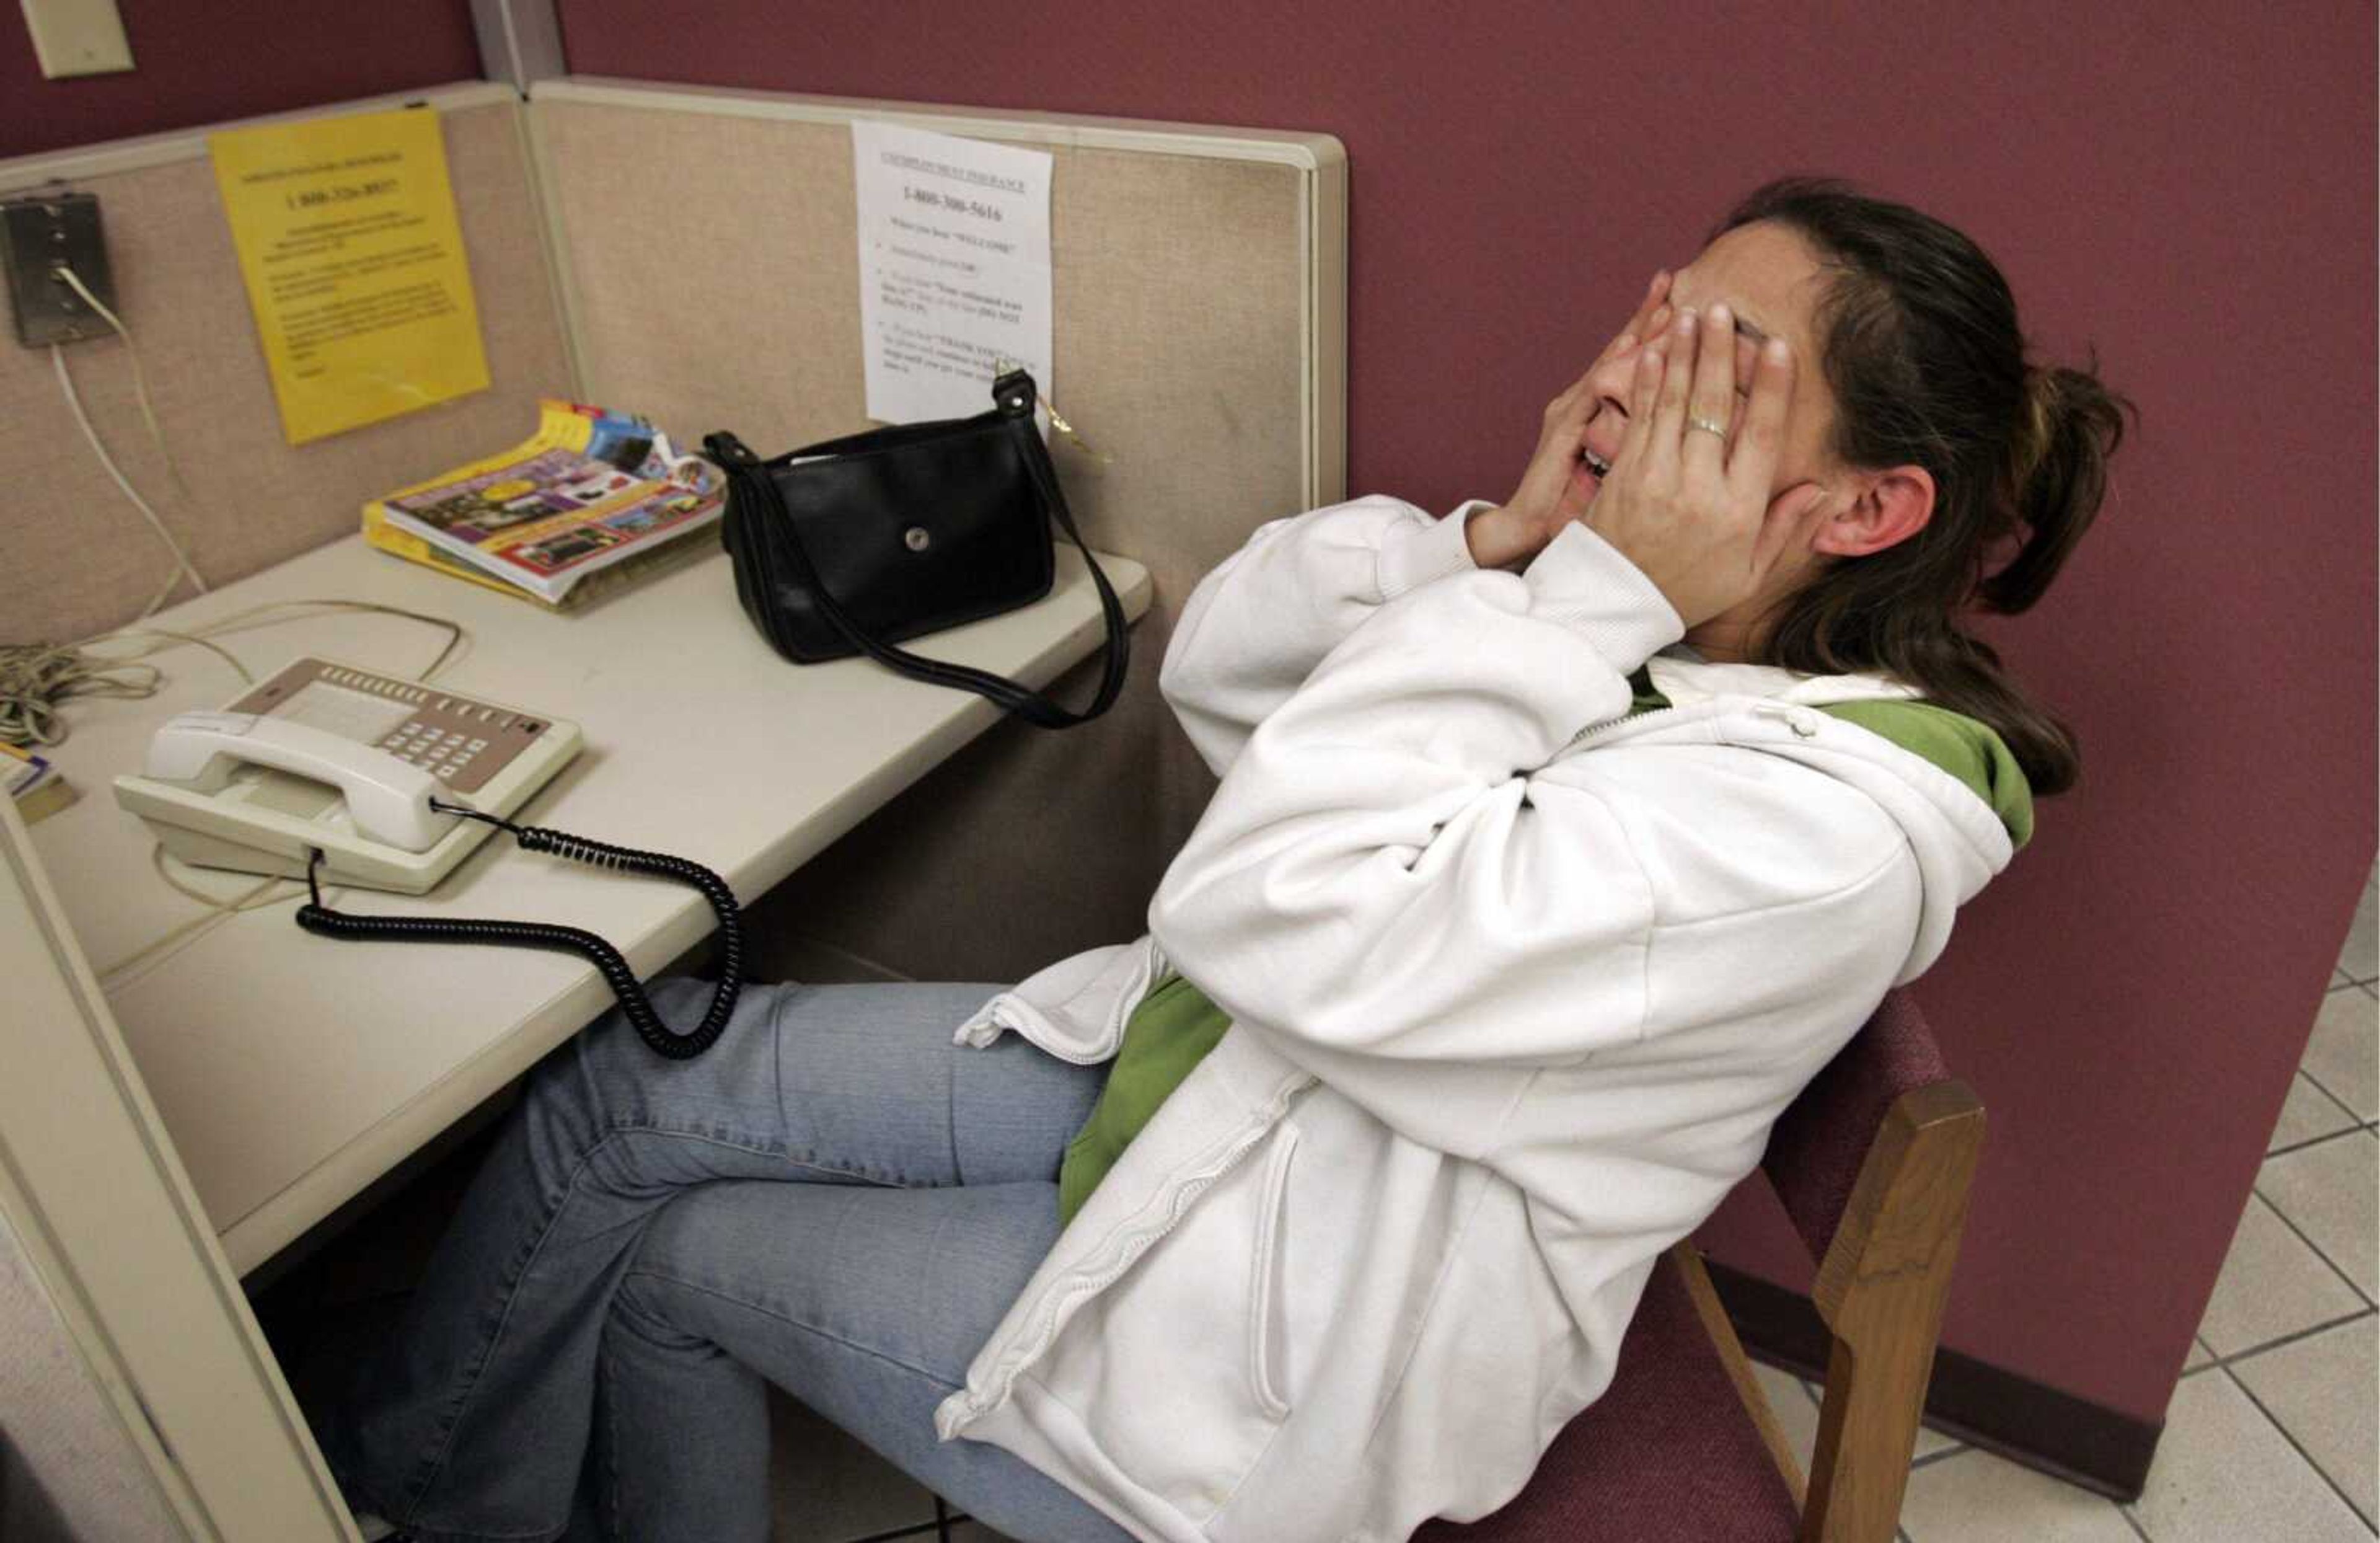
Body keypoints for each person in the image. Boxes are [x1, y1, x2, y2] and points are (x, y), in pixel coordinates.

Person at [318, 177, 2132, 1543]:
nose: (1640, 385)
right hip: (1212, 1094)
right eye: (1662, 323)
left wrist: (1587, 594)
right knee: (628, 1074)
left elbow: (1277, 902)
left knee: (671, 1260)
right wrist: (1511, 542)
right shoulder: (1671, 623)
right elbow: (1233, 675)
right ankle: (418, 1485)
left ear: (1869, 510)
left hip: (1289, 1347)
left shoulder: (1820, 831)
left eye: (1718, 372)